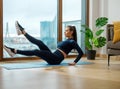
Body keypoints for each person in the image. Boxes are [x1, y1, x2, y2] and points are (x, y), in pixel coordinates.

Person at [4, 21, 83, 66]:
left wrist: (74, 62)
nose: (64, 32)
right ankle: (23, 32)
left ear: (71, 32)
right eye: (65, 30)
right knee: (40, 43)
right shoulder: (67, 40)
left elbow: (81, 53)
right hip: (53, 56)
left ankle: (14, 51)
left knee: (36, 51)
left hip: (56, 59)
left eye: (66, 30)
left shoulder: (72, 41)